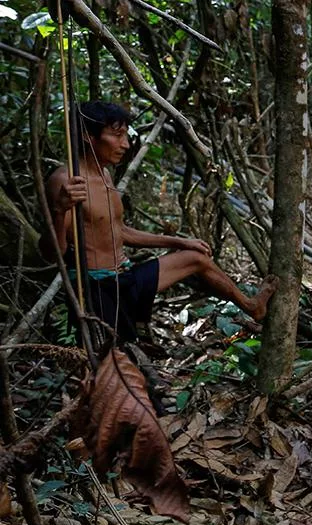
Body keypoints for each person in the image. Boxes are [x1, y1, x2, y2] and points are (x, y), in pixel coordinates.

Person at [39, 101, 276, 344]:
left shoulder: (105, 174)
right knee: (114, 364)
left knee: (196, 258)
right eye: (117, 135)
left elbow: (117, 230)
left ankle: (252, 305)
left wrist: (180, 242)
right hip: (98, 290)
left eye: (126, 136)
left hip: (127, 277)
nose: (126, 144)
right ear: (89, 137)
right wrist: (59, 211)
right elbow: (51, 254)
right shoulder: (65, 181)